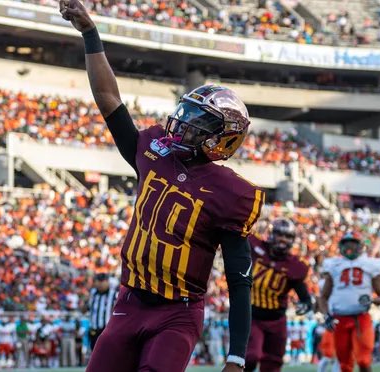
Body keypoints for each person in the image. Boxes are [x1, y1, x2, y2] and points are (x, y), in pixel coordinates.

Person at [60, 2, 263, 371]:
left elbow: (239, 279)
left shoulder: (232, 193)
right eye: (186, 113)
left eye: (198, 121)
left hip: (178, 313)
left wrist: (236, 355)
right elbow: (109, 101)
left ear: (222, 138)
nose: (184, 123)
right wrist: (90, 33)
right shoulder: (155, 151)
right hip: (129, 303)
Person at [245, 218, 312, 372]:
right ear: (271, 234)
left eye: (288, 236)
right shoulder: (256, 247)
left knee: (273, 364)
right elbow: (239, 232)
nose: (283, 239)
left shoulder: (295, 265)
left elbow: (301, 291)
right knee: (250, 357)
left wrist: (306, 302)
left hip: (277, 320)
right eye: (280, 234)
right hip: (252, 316)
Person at [319, 232, 380, 372]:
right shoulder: (333, 265)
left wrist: (373, 300)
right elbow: (323, 297)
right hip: (339, 319)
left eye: (352, 243)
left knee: (363, 360)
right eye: (346, 243)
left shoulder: (370, 264)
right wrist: (326, 315)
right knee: (344, 364)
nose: (349, 246)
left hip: (361, 318)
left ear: (360, 246)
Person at [86, 273, 117, 351]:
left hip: (107, 330)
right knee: (94, 353)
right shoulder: (92, 293)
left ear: (107, 282)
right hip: (94, 329)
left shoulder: (113, 294)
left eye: (102, 281)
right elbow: (86, 309)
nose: (100, 284)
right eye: (98, 281)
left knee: (107, 353)